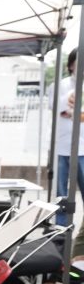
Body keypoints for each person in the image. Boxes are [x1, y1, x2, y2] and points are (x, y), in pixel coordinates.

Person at [50, 48, 84, 227]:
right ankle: (61, 228)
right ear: (71, 65)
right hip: (62, 146)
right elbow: (55, 106)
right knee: (61, 192)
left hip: (83, 148)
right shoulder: (60, 85)